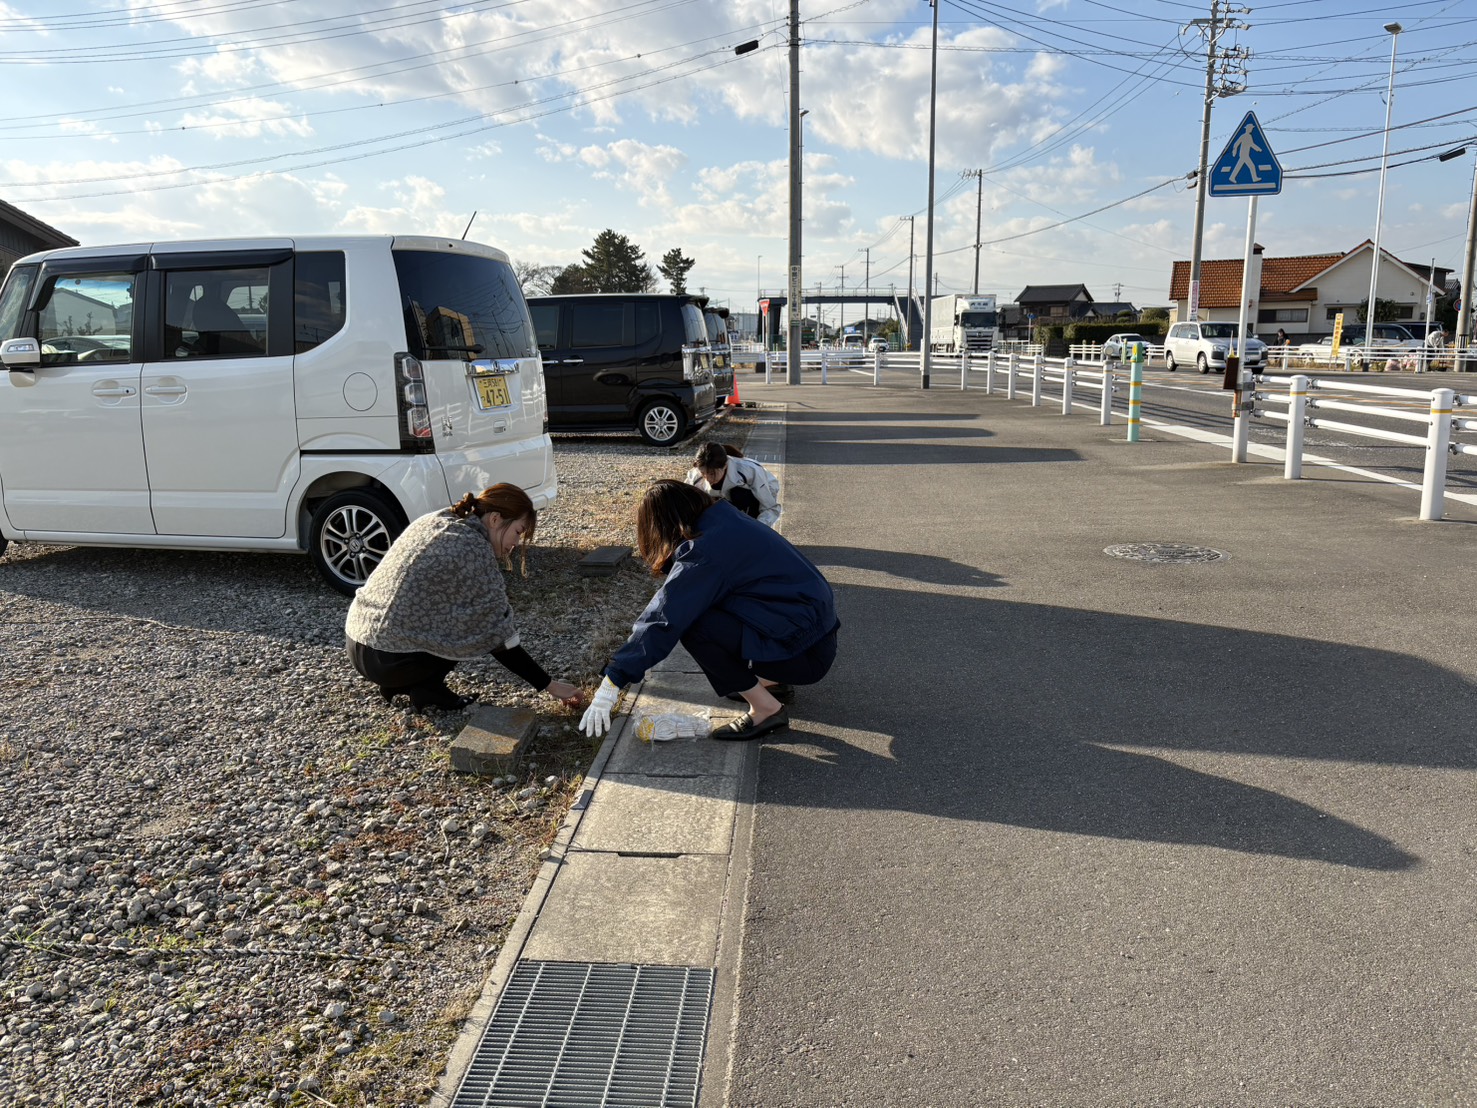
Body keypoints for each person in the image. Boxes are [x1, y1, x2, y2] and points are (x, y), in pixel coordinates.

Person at [580, 481, 839, 742]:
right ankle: (770, 683)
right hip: (813, 637)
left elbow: (663, 617)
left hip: (802, 654)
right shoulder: (725, 519)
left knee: (695, 626)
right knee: (703, 607)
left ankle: (766, 709)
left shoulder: (705, 549)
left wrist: (613, 680)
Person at [345, 484, 582, 711]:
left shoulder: (439, 519)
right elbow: (497, 634)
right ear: (495, 519)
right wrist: (548, 684)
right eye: (518, 532)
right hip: (390, 659)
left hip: (359, 643)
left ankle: (409, 686)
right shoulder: (473, 549)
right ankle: (425, 688)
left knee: (452, 613)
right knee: (470, 625)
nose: (516, 544)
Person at [684, 441, 782, 527]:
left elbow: (770, 508)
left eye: (712, 473)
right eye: (703, 473)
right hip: (723, 497)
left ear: (725, 466)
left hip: (756, 493)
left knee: (738, 494)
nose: (708, 478)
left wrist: (757, 529)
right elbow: (685, 505)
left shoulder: (749, 471)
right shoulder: (695, 476)